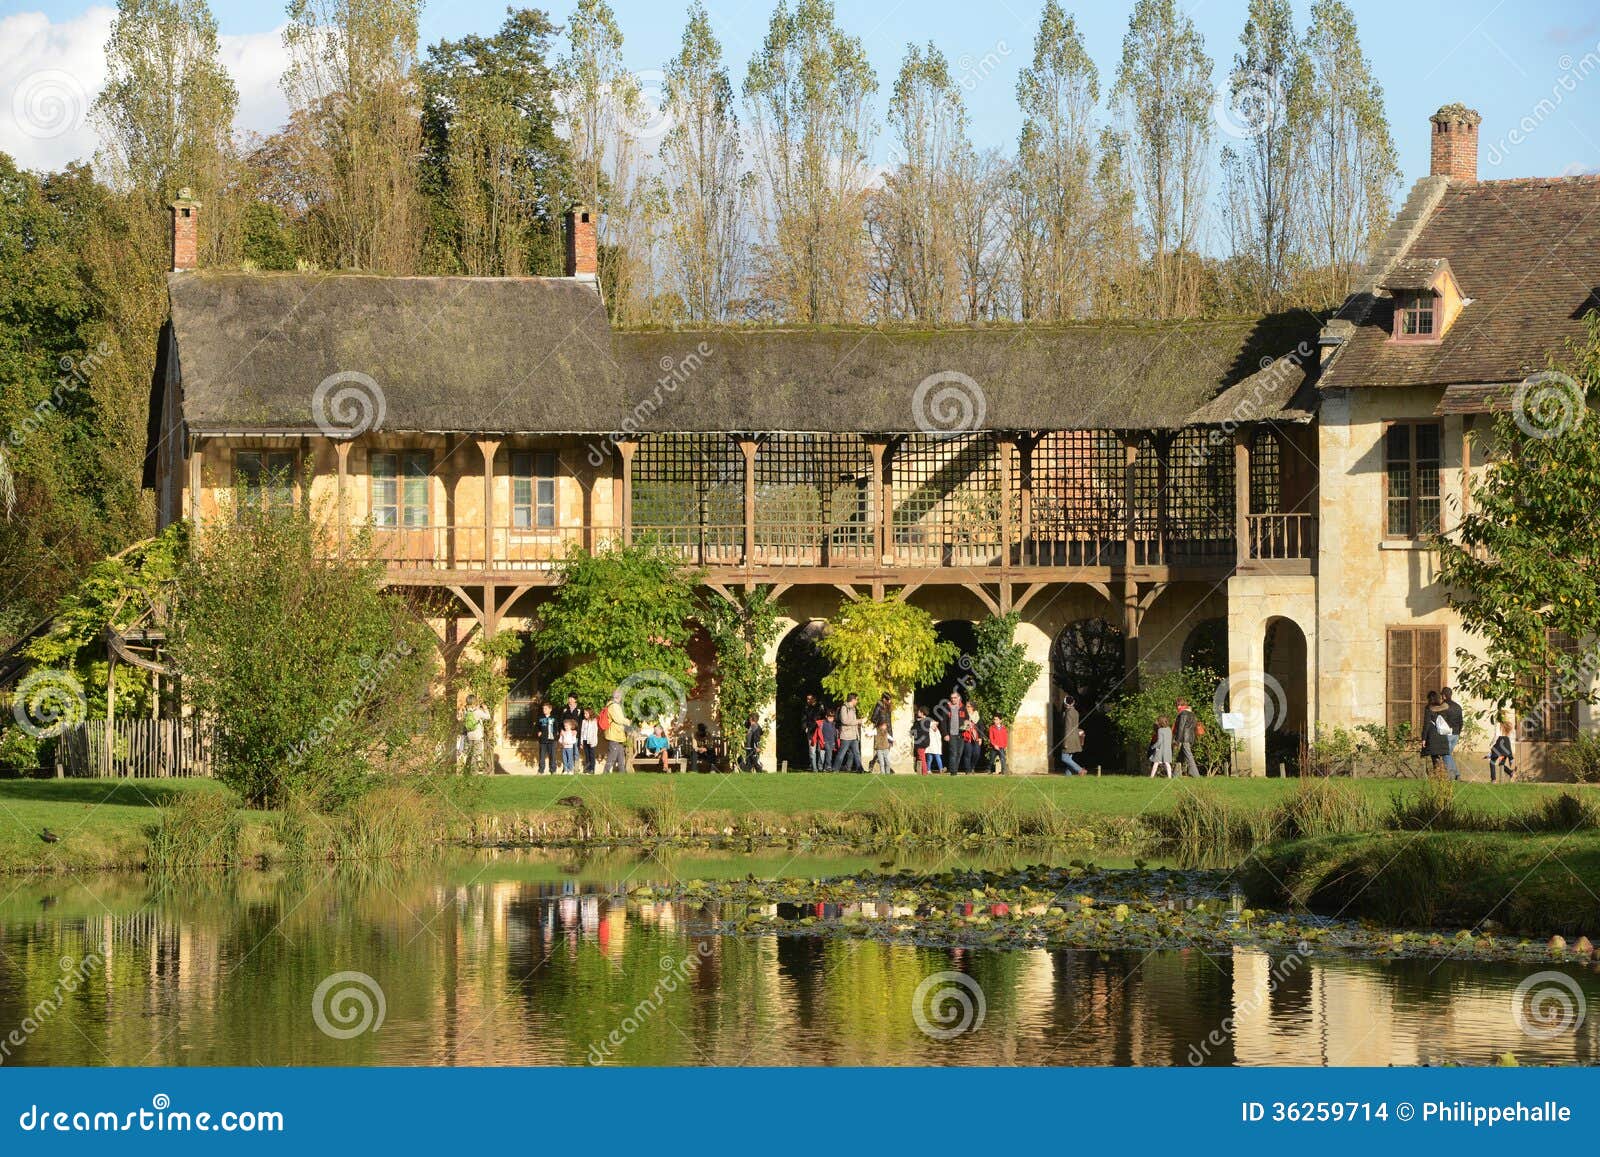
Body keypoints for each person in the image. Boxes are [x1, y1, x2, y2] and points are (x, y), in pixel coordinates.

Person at [1423, 690, 1453, 776]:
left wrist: (1424, 738)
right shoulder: (1444, 708)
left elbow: (1426, 724)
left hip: (1433, 736)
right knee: (1442, 757)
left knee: (1435, 757)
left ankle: (1437, 775)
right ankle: (1445, 775)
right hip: (1443, 735)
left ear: (1429, 699)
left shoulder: (1429, 708)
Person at [461, 695, 491, 774]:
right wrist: (485, 708)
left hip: (469, 736)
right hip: (477, 736)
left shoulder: (467, 712)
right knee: (475, 755)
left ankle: (467, 771)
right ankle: (473, 773)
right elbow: (488, 717)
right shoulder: (478, 712)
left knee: (470, 754)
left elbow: (464, 721)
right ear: (475, 702)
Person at [601, 690, 630, 773]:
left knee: (620, 754)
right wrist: (628, 721)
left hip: (617, 733)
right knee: (613, 754)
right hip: (614, 733)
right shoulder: (614, 706)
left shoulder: (611, 704)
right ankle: (605, 772)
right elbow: (618, 719)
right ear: (619, 697)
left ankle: (622, 772)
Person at [834, 693, 864, 772]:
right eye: (856, 699)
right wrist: (857, 721)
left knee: (856, 753)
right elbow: (844, 720)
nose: (857, 701)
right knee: (842, 753)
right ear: (853, 700)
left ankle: (860, 769)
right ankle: (835, 769)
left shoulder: (853, 708)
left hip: (854, 735)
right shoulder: (844, 708)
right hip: (846, 735)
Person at [1058, 693, 1086, 776]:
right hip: (1075, 738)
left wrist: (1065, 742)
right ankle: (1068, 777)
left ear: (1065, 703)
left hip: (1069, 739)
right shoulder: (1076, 712)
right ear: (1073, 703)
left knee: (1064, 758)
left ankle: (1080, 770)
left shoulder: (1068, 713)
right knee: (1069, 758)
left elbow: (1068, 728)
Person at [1440, 687, 1465, 780]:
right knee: (1448, 754)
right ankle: (1456, 775)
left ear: (1444, 696)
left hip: (1447, 733)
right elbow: (1461, 722)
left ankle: (1452, 774)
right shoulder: (1458, 706)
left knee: (1445, 754)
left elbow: (1440, 721)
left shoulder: (1444, 706)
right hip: (1456, 734)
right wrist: (1458, 732)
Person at [1173, 699, 1201, 777]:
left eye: (1177, 705)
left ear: (1179, 705)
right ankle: (1175, 774)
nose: (1176, 707)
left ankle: (1196, 774)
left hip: (1184, 738)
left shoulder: (1183, 714)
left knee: (1189, 756)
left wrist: (1177, 740)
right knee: (1180, 757)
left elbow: (1181, 728)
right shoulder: (1192, 714)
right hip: (1190, 738)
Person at [803, 693, 826, 771]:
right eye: (807, 699)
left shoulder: (820, 707)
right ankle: (814, 768)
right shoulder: (806, 708)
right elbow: (804, 718)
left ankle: (820, 766)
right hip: (811, 731)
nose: (808, 700)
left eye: (810, 699)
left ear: (814, 699)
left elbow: (824, 718)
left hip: (820, 730)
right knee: (812, 751)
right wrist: (805, 727)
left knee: (821, 750)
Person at [1488, 718, 1516, 782]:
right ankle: (1510, 773)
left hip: (1499, 743)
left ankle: (1493, 779)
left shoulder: (1498, 724)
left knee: (1492, 761)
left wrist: (1491, 744)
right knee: (1501, 763)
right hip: (1506, 744)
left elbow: (1496, 735)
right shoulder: (1509, 724)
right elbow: (1512, 737)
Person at [535, 701, 559, 774]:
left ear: (550, 709)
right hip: (543, 740)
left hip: (552, 740)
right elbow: (537, 726)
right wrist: (538, 731)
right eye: (543, 708)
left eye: (545, 709)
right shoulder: (540, 718)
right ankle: (541, 770)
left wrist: (555, 736)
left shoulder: (554, 718)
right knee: (542, 757)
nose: (544, 710)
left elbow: (557, 727)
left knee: (552, 756)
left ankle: (553, 770)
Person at [911, 706, 931, 774]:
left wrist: (918, 722)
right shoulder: (918, 721)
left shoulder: (926, 721)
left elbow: (919, 731)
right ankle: (921, 772)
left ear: (922, 713)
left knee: (922, 757)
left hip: (922, 742)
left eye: (919, 712)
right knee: (920, 756)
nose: (918, 713)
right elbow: (912, 731)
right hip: (921, 741)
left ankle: (924, 772)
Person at [580, 707, 599, 773]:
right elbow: (582, 732)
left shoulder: (594, 721)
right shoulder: (584, 721)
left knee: (592, 756)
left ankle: (592, 769)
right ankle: (587, 769)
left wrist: (593, 741)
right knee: (587, 756)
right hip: (585, 740)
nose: (585, 715)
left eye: (586, 713)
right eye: (584, 713)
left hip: (591, 741)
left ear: (590, 713)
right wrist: (581, 742)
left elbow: (595, 732)